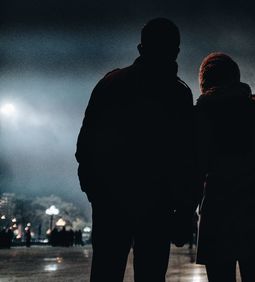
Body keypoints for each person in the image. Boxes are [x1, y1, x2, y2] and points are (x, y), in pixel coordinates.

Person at [76, 18, 198, 281]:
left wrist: (94, 190)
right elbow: (189, 157)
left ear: (141, 48)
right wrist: (186, 207)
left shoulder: (110, 84)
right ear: (176, 51)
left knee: (106, 270)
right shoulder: (178, 94)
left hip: (111, 198)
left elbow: (86, 145)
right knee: (152, 273)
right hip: (158, 202)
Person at [195, 53, 255, 282]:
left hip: (217, 202)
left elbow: (198, 162)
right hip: (252, 200)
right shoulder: (254, 106)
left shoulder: (202, 110)